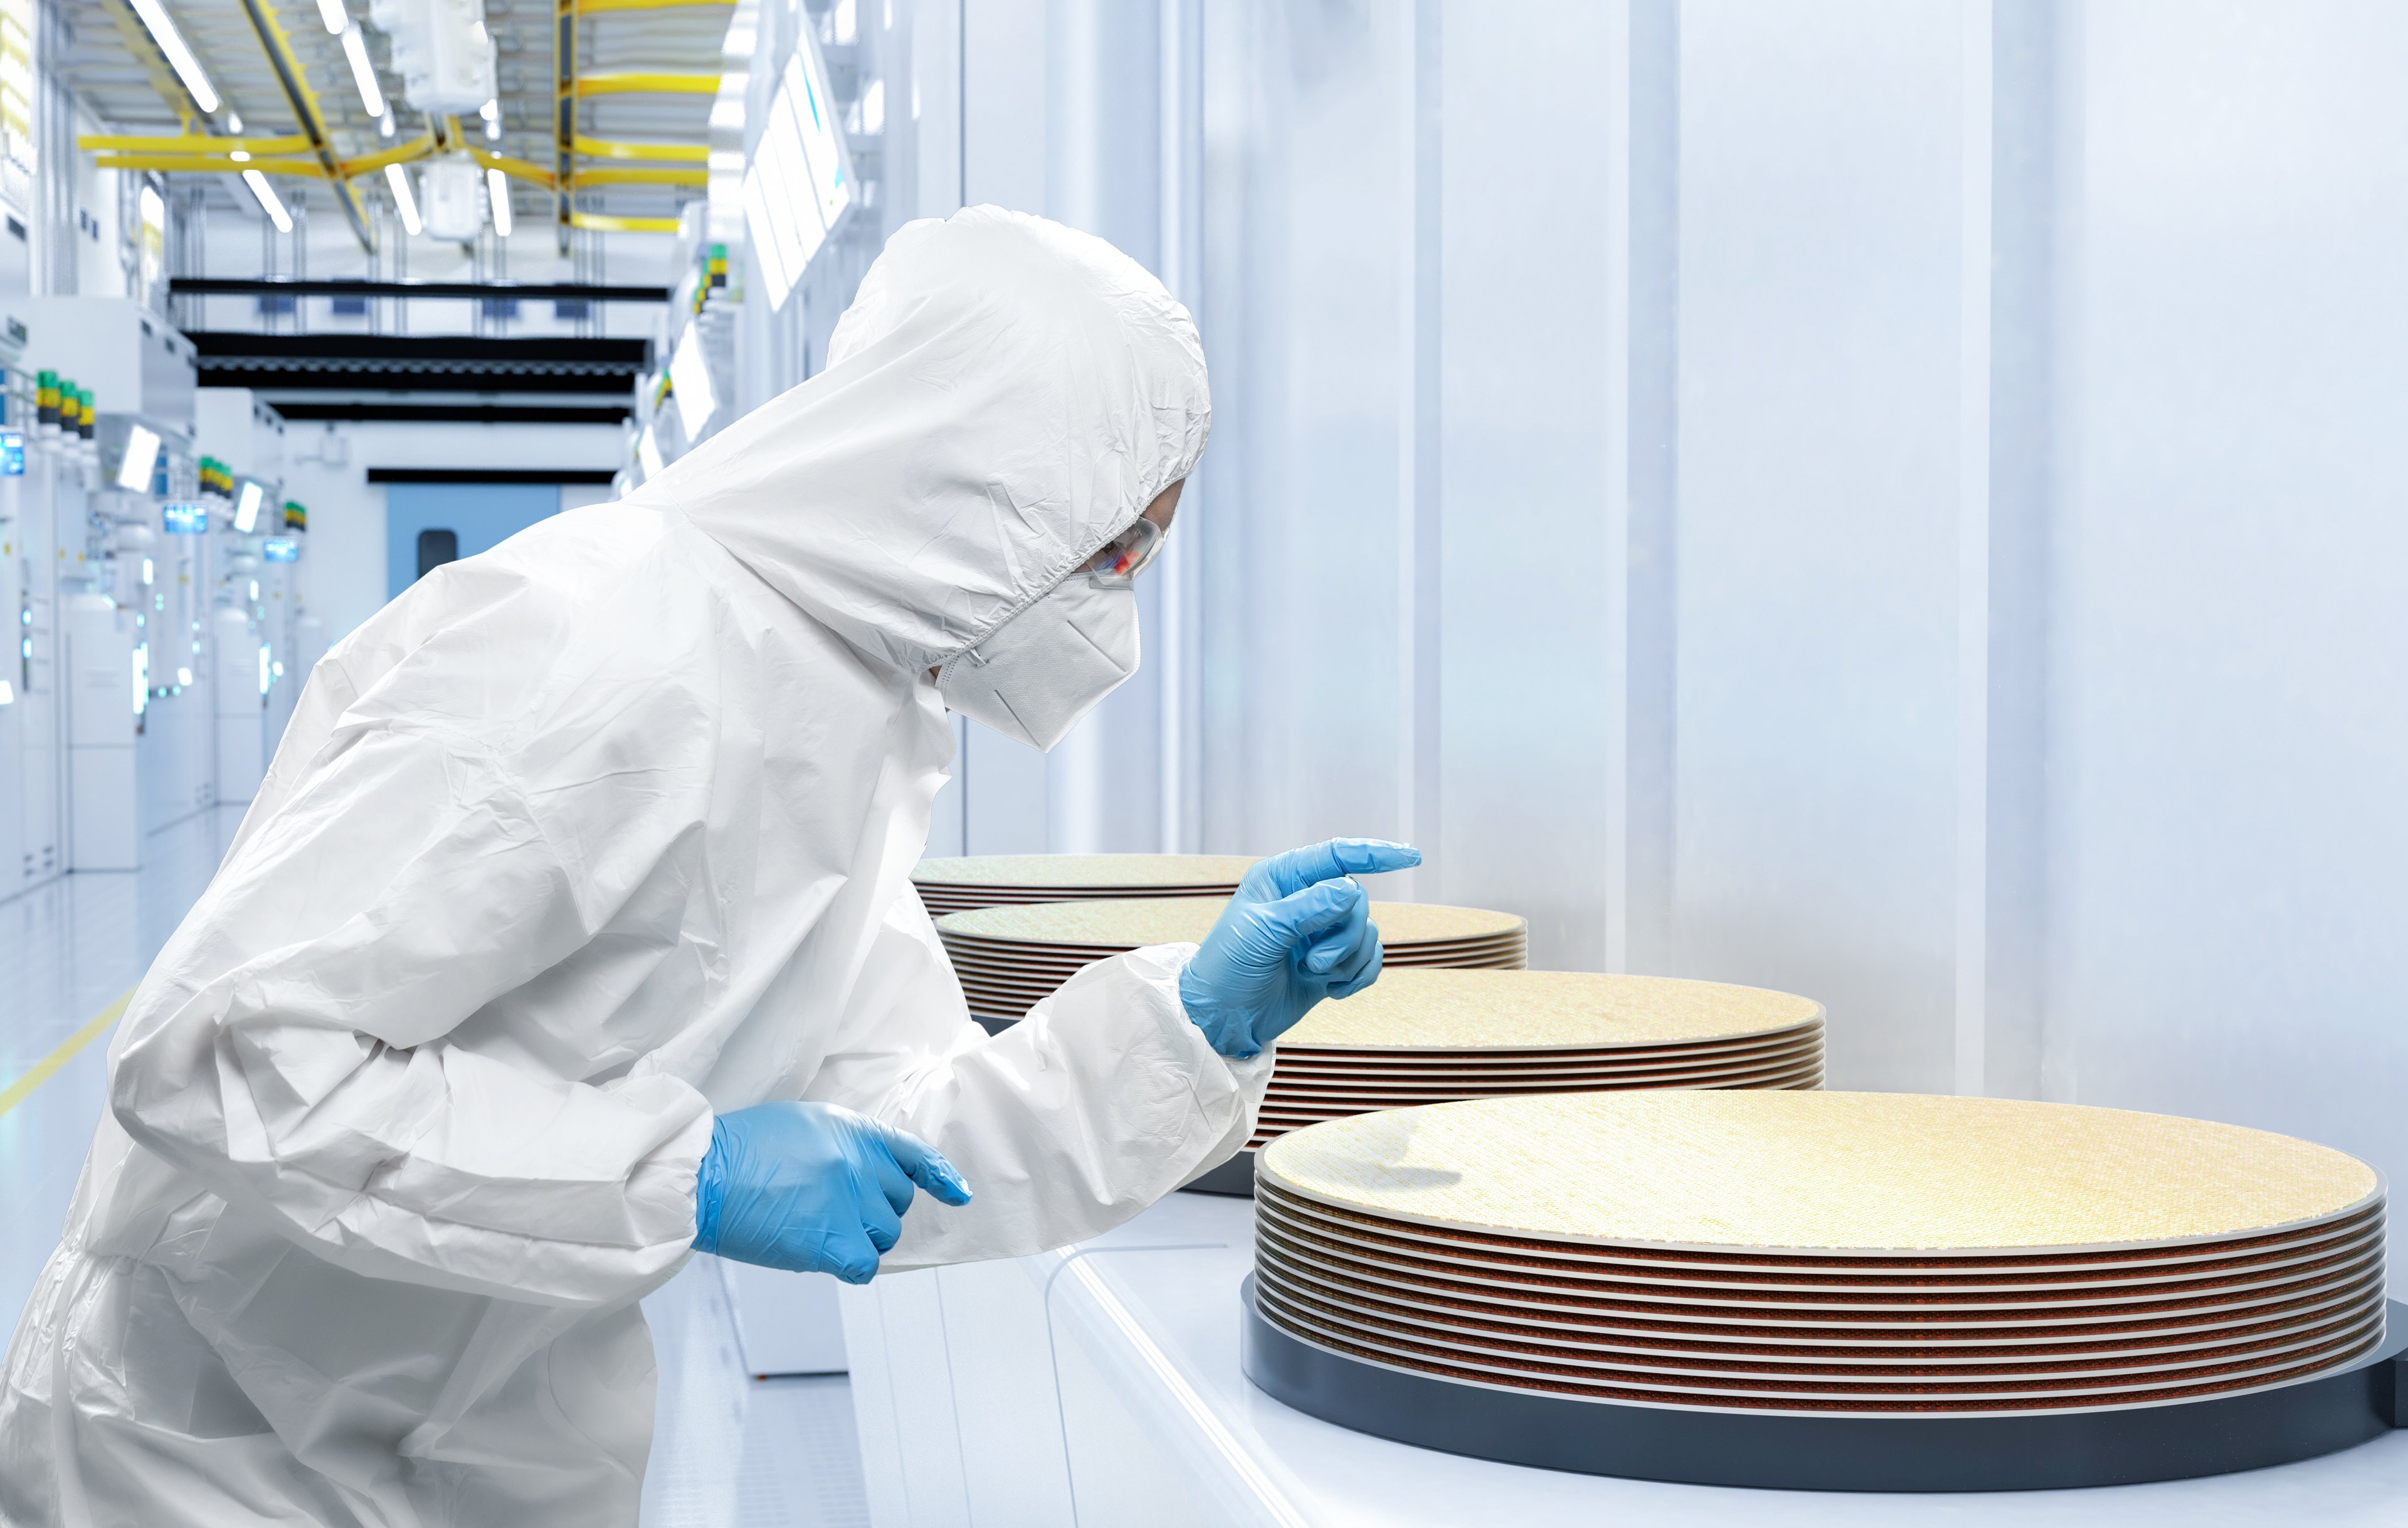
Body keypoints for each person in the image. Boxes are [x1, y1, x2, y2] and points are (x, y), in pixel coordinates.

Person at [0, 207, 1417, 1526]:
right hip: (207, 1436)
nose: (1116, 604)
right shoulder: (600, 646)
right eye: (1112, 551)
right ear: (982, 479)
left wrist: (1190, 1025)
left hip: (491, 1428)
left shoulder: (848, 712)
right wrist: (689, 1169)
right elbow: (227, 1062)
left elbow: (895, 1130)